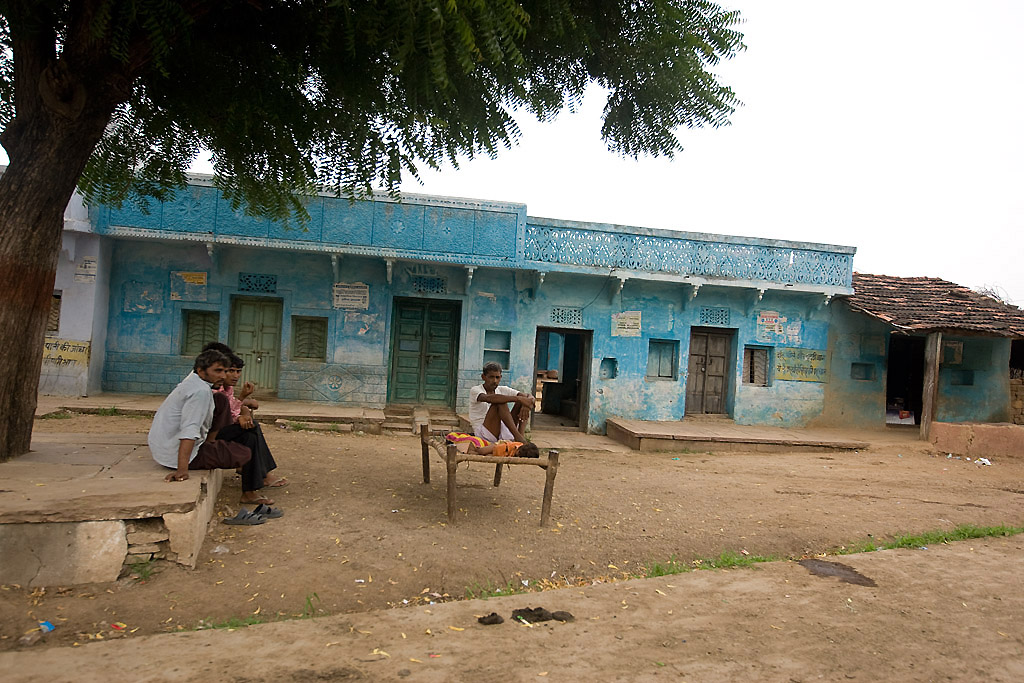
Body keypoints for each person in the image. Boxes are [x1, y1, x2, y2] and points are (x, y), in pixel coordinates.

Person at [147, 349, 273, 506]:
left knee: (227, 408)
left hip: (168, 446)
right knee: (245, 452)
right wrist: (182, 470)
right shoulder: (200, 392)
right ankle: (250, 491)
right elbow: (189, 431)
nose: (223, 376)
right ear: (201, 371)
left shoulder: (197, 383)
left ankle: (250, 491)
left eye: (225, 371)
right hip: (174, 453)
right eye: (218, 371)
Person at [214, 351, 287, 489]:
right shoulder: (215, 389)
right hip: (213, 432)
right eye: (231, 371)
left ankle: (258, 474)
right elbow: (223, 415)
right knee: (252, 429)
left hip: (222, 426)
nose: (235, 375)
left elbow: (231, 409)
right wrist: (241, 412)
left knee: (251, 430)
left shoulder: (228, 388)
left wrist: (243, 407)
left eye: (238, 371)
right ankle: (262, 476)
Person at [468, 361, 535, 443]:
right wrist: (519, 399)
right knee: (499, 402)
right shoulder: (475, 390)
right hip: (483, 432)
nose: (494, 381)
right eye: (491, 377)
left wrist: (525, 404)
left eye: (497, 377)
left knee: (522, 401)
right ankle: (518, 437)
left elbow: (530, 397)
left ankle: (520, 436)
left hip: (502, 429)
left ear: (501, 377)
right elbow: (489, 398)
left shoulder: (503, 389)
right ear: (483, 377)